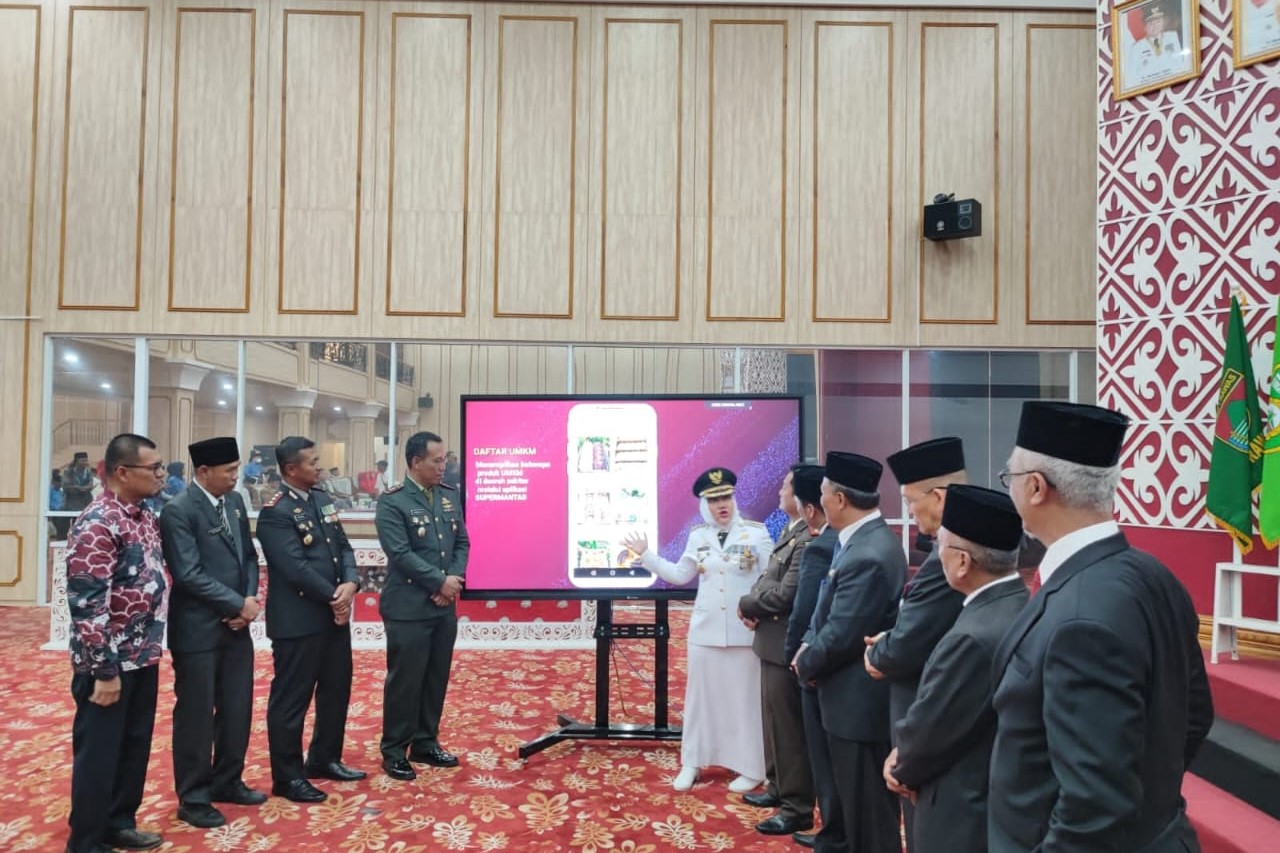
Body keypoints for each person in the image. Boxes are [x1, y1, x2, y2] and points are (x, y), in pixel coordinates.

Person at [989, 401, 1214, 852]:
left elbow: (1093, 809)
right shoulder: (1154, 574)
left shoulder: (1079, 619)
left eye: (1008, 478)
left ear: (1036, 488)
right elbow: (1194, 717)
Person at [883, 485, 1029, 853]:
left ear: (962, 562)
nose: (938, 556)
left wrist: (901, 766)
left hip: (960, 808)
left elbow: (933, 728)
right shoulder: (1019, 604)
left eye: (941, 547)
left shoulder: (970, 637)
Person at [623, 467, 773, 792]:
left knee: (744, 704)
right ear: (705, 504)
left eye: (727, 497)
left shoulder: (756, 534)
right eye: (715, 499)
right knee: (699, 702)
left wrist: (760, 610)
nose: (723, 505)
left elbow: (769, 579)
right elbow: (680, 575)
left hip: (744, 633)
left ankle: (751, 767)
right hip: (705, 634)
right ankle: (692, 763)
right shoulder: (698, 536)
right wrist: (646, 555)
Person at [792, 451, 904, 853]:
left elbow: (843, 633)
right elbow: (827, 611)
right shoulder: (858, 541)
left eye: (822, 493)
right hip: (845, 699)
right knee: (855, 813)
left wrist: (805, 660)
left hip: (858, 706)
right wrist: (808, 641)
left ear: (839, 499)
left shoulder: (869, 553)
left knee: (869, 819)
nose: (819, 501)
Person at [64, 434, 168, 853]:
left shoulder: (143, 515)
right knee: (100, 753)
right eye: (154, 468)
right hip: (107, 664)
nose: (161, 474)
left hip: (143, 654)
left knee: (134, 745)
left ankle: (119, 822)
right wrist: (104, 671)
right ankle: (86, 839)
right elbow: (88, 606)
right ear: (122, 473)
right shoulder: (97, 523)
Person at [864, 437, 967, 853]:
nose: (908, 512)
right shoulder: (952, 549)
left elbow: (912, 643)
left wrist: (879, 652)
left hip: (931, 714)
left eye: (909, 502)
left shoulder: (956, 556)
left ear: (938, 497)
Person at [158, 437, 265, 829]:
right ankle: (194, 796)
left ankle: (228, 780)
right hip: (198, 632)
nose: (236, 477)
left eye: (237, 469)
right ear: (203, 472)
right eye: (229, 471)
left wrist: (248, 598)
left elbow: (249, 556)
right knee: (196, 716)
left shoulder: (234, 503)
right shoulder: (178, 510)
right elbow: (188, 574)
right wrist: (236, 604)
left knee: (237, 709)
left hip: (237, 628)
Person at [256, 435, 365, 803]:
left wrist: (350, 583)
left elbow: (344, 549)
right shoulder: (275, 512)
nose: (319, 467)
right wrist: (335, 596)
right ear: (290, 469)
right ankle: (287, 777)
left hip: (334, 616)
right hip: (299, 621)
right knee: (291, 700)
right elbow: (294, 568)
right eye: (312, 462)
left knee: (336, 691)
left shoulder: (321, 499)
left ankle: (324, 758)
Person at [376, 431, 470, 781]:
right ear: (416, 462)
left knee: (435, 677)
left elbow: (462, 541)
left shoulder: (448, 497)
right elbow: (400, 553)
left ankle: (426, 742)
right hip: (408, 607)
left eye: (444, 459)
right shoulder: (393, 501)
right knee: (406, 680)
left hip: (443, 606)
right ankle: (395, 749)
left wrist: (453, 580)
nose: (444, 466)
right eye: (437, 460)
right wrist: (438, 582)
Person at [737, 467, 815, 836]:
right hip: (770, 639)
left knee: (788, 729)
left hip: (785, 642)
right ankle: (777, 787)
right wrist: (752, 603)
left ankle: (796, 806)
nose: (780, 491)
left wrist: (749, 604)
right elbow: (768, 579)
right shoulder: (790, 531)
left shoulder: (808, 539)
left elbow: (788, 593)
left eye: (785, 486)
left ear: (802, 499)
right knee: (772, 723)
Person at [781, 465, 838, 852]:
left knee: (823, 757)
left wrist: (794, 656)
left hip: (813, 664)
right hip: (828, 662)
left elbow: (805, 610)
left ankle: (830, 831)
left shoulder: (820, 545)